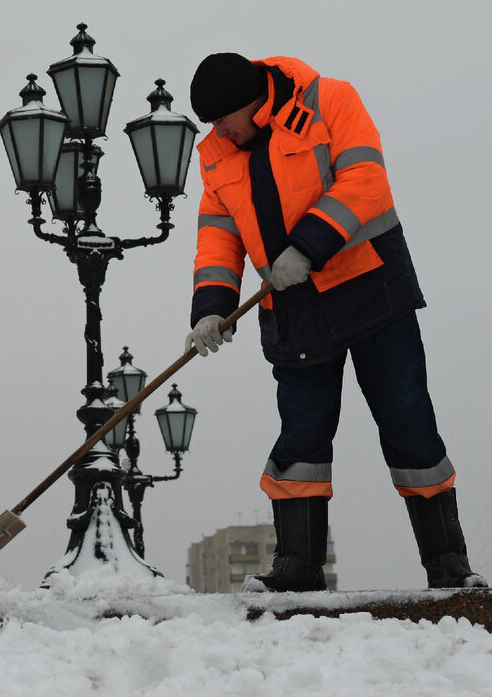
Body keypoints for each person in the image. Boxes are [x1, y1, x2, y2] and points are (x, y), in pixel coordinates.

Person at [184, 53, 485, 592]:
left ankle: (448, 565)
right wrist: (211, 305)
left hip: (372, 290)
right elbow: (218, 233)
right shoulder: (216, 156)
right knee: (301, 437)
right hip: (293, 312)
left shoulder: (328, 100)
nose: (216, 130)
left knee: (407, 421)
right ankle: (298, 569)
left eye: (222, 118)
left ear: (252, 102)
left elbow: (365, 180)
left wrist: (307, 246)